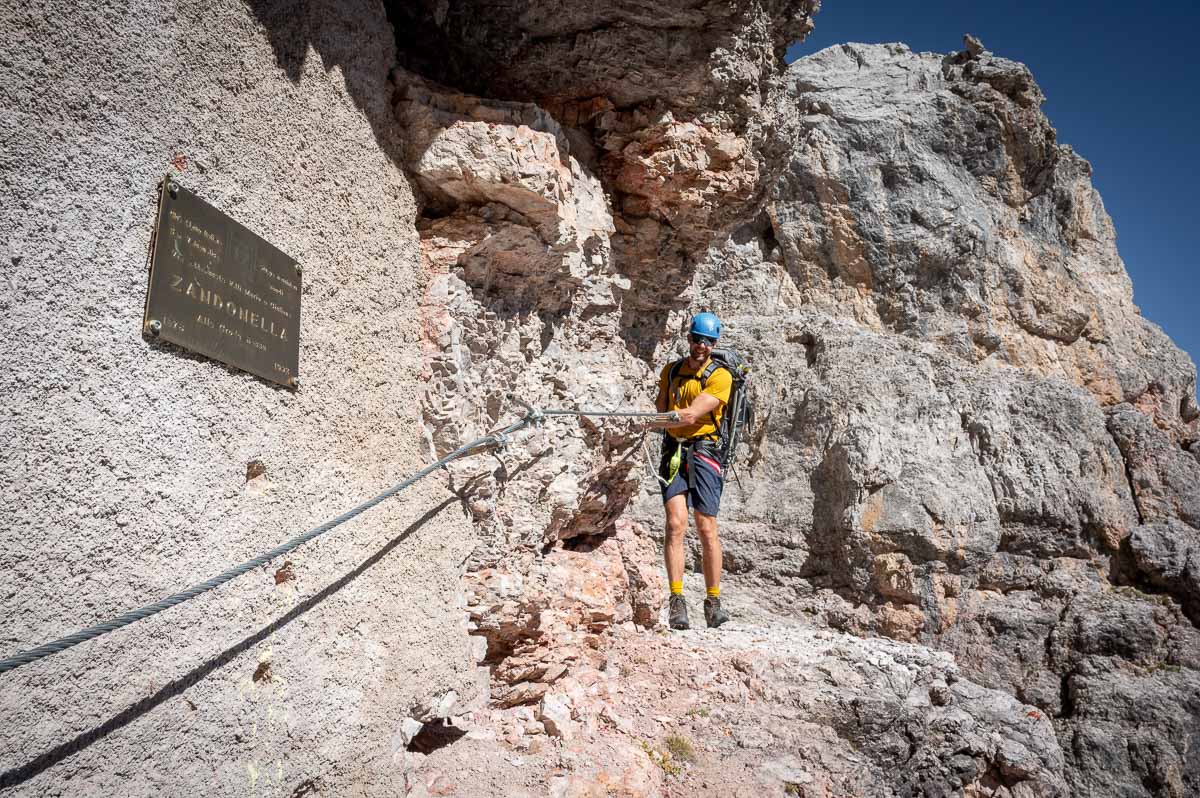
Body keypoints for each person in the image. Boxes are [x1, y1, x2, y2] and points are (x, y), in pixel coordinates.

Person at [652, 312, 732, 630]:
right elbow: (662, 410)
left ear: (714, 344)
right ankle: (677, 602)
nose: (702, 346)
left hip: (705, 452)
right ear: (689, 339)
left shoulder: (721, 377)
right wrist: (650, 419)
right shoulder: (671, 372)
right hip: (674, 450)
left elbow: (689, 415)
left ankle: (713, 602)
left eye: (708, 341)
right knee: (675, 524)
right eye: (697, 339)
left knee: (706, 527)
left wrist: (644, 421)